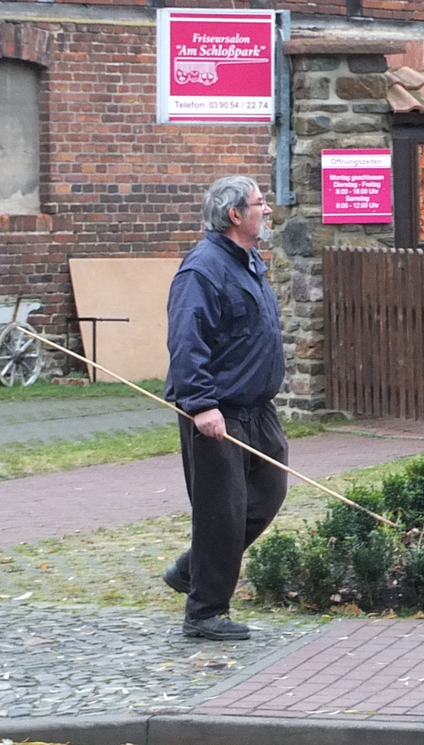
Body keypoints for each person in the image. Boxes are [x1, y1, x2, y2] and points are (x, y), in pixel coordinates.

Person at [162, 176, 288, 642]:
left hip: (258, 407)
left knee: (269, 493)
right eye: (260, 204)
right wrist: (201, 404)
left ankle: (191, 568)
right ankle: (205, 612)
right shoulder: (203, 269)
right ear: (235, 215)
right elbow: (186, 340)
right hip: (218, 411)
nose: (268, 210)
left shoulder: (249, 261)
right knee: (222, 512)